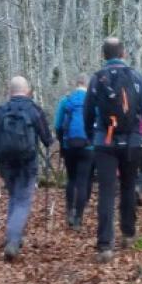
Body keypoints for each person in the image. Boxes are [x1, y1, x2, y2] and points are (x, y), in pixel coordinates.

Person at [83, 38, 142, 263]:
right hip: (133, 142)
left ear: (104, 55)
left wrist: (91, 135)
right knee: (128, 186)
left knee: (106, 192)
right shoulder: (135, 77)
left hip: (104, 143)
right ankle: (128, 233)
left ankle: (105, 245)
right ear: (123, 53)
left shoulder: (97, 79)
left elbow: (88, 111)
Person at [0, 76, 53, 261]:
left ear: (10, 91)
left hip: (5, 163)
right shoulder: (34, 110)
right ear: (28, 91)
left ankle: (12, 236)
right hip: (27, 162)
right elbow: (47, 140)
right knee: (22, 200)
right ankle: (13, 241)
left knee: (14, 197)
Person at [54, 75, 95, 230]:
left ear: (76, 84)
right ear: (87, 85)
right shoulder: (93, 100)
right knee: (83, 181)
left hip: (69, 145)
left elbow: (58, 125)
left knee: (71, 179)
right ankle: (78, 218)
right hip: (88, 146)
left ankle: (69, 212)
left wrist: (62, 142)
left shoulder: (66, 101)